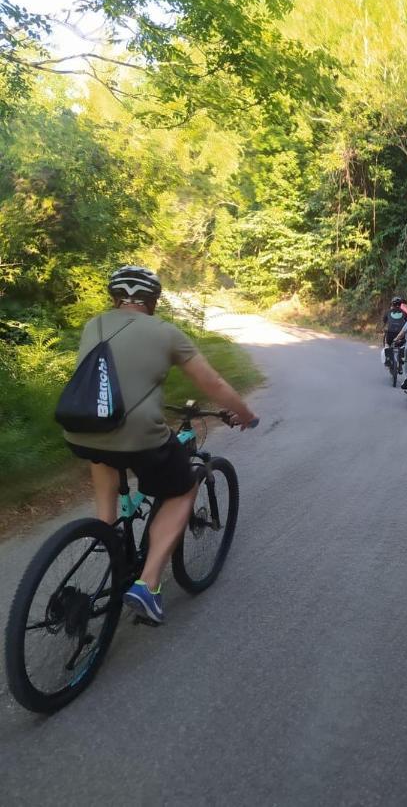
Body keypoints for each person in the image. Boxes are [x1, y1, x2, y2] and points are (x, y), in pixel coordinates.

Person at [64, 265, 259, 623]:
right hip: (138, 435)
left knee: (107, 503)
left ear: (114, 298)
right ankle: (147, 584)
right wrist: (244, 413)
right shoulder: (166, 333)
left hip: (83, 427)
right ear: (153, 300)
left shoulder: (95, 324)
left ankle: (105, 541)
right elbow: (212, 383)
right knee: (183, 487)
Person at [381, 297, 407, 366]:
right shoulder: (404, 312)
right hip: (401, 333)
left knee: (387, 344)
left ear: (392, 304)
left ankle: (387, 358)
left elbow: (384, 322)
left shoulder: (388, 312)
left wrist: (383, 328)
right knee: (402, 345)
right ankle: (401, 357)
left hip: (390, 333)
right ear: (400, 304)